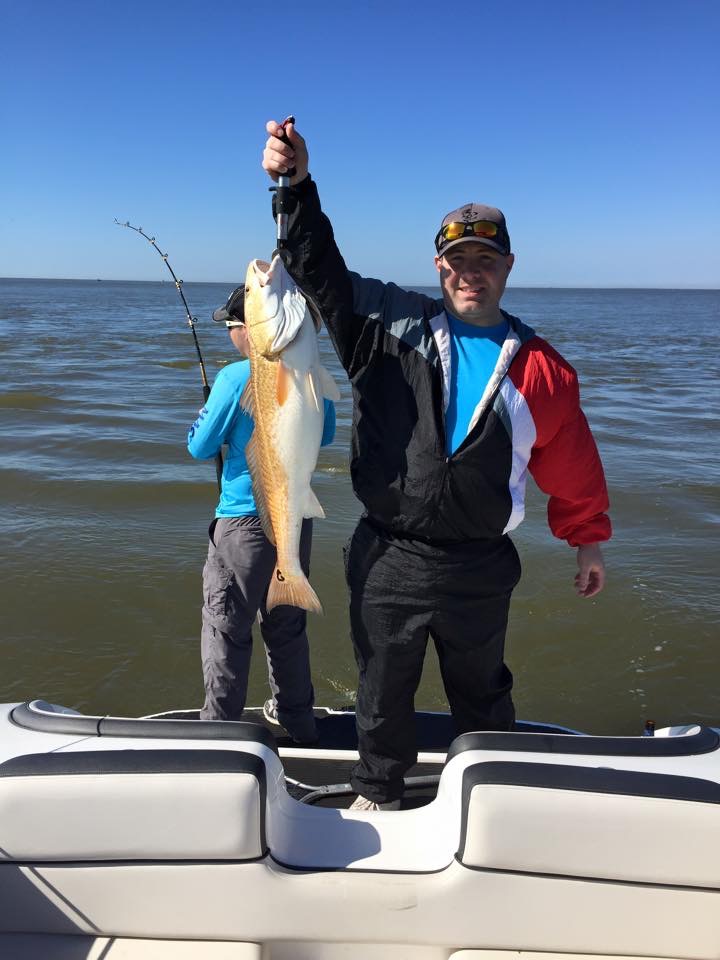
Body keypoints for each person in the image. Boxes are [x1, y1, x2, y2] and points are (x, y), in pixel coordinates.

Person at [262, 119, 611, 809]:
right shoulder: (390, 324)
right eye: (457, 262)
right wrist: (294, 186)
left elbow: (571, 462)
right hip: (389, 553)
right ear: (438, 268)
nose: (470, 273)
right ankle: (377, 791)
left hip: (481, 562)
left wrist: (587, 537)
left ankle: (496, 797)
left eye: (485, 260)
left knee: (482, 690)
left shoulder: (543, 370)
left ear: (508, 266)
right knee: (382, 685)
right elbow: (319, 272)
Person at [187, 284, 336, 744]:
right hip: (294, 519)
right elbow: (326, 435)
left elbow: (199, 446)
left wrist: (209, 411)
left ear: (248, 330)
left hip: (243, 525)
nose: (230, 335)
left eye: (231, 327)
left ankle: (221, 735)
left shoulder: (235, 378)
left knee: (226, 629)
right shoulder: (312, 372)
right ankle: (298, 722)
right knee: (287, 627)